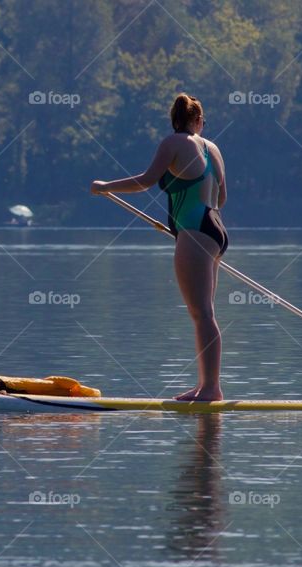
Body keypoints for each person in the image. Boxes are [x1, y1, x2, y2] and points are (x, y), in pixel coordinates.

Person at [91, 94, 227, 401]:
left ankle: (210, 389)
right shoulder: (213, 149)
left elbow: (144, 182)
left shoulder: (173, 143)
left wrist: (105, 187)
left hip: (194, 232)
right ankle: (206, 386)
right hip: (215, 231)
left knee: (202, 314)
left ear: (176, 120)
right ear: (199, 121)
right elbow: (222, 198)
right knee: (205, 313)